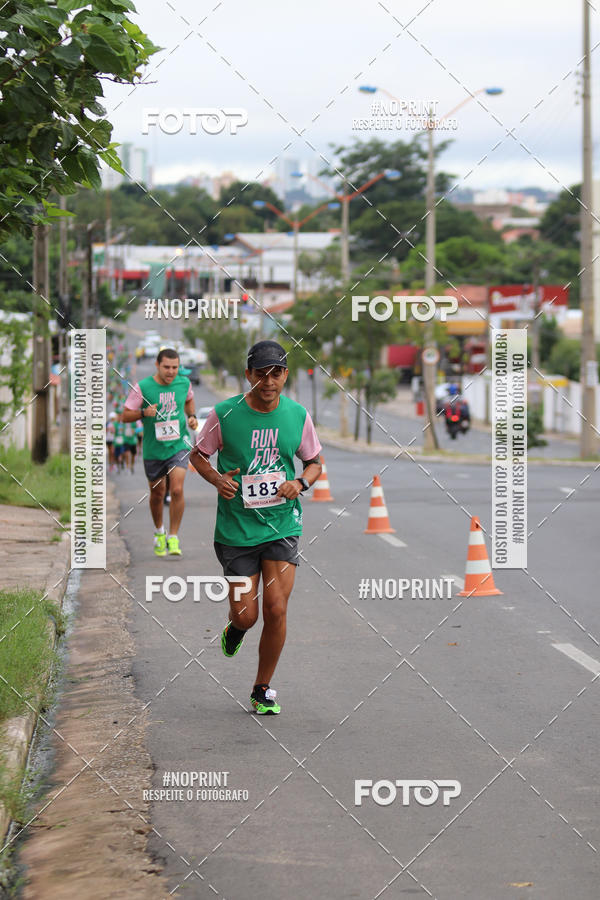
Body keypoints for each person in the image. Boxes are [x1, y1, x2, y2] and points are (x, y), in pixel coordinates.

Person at [190, 340, 322, 715]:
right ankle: (236, 628)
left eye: (276, 373)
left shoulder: (297, 415)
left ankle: (261, 689)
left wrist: (300, 483)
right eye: (261, 374)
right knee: (247, 615)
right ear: (248, 375)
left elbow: (314, 462)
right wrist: (217, 479)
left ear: (286, 375)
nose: (269, 381)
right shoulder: (224, 414)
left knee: (276, 608)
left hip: (281, 524)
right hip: (236, 529)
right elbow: (197, 455)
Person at [122, 348, 198, 556]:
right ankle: (159, 532)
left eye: (174, 367)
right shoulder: (143, 387)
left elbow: (189, 400)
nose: (171, 371)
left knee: (176, 490)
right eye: (166, 367)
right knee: (157, 493)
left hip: (178, 445)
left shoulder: (184, 383)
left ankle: (173, 537)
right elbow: (125, 415)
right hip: (153, 449)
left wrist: (191, 416)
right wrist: (143, 413)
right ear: (157, 365)